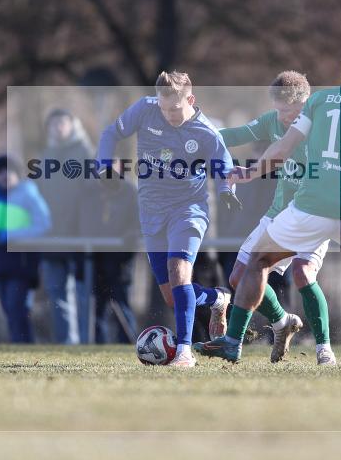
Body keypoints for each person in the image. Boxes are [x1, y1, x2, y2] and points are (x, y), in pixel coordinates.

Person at [196, 41, 341, 371]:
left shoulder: (320, 100)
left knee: (258, 262)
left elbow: (283, 148)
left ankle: (233, 344)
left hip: (312, 207)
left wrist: (250, 172)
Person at [97, 72, 240, 367]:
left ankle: (184, 352)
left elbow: (225, 166)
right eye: (164, 108)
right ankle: (216, 299)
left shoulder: (205, 132)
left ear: (190, 100)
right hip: (151, 213)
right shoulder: (145, 109)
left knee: (179, 272)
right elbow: (111, 133)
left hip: (188, 210)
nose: (168, 115)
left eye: (174, 109)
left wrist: (226, 190)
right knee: (173, 296)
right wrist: (104, 165)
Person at [219, 71, 335, 365]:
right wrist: (193, 134)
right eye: (278, 110)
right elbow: (236, 135)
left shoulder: (324, 128)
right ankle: (283, 324)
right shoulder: (272, 122)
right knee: (238, 276)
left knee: (302, 272)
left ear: (305, 103)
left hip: (314, 214)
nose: (282, 117)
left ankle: (325, 350)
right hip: (278, 215)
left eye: (288, 111)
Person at [0, 156, 50, 343]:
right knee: (9, 308)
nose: (4, 176)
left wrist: (11, 236)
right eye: (0, 172)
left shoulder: (29, 194)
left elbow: (44, 224)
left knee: (16, 307)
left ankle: (24, 346)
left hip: (21, 263)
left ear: (17, 174)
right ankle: (23, 345)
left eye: (9, 171)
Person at [36, 109, 94, 344]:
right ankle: (67, 344)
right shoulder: (44, 156)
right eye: (54, 123)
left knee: (82, 295)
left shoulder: (85, 154)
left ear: (72, 125)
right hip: (51, 237)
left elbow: (93, 197)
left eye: (62, 122)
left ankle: (86, 343)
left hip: (80, 238)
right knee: (56, 294)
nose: (58, 127)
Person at [78, 160, 139, 344]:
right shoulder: (90, 191)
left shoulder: (130, 191)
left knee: (121, 305)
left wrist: (131, 234)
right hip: (95, 257)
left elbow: (139, 222)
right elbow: (83, 220)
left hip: (120, 259)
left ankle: (130, 344)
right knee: (97, 307)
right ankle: (98, 345)